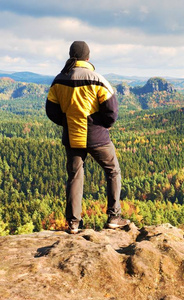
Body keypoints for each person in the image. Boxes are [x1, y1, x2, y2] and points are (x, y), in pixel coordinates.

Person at [46, 41, 130, 234]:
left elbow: (51, 110)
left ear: (71, 56)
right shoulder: (97, 79)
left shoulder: (59, 80)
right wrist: (101, 125)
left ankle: (74, 223)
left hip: (72, 137)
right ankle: (113, 217)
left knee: (75, 177)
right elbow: (112, 111)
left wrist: (67, 123)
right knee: (113, 172)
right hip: (97, 137)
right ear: (88, 57)